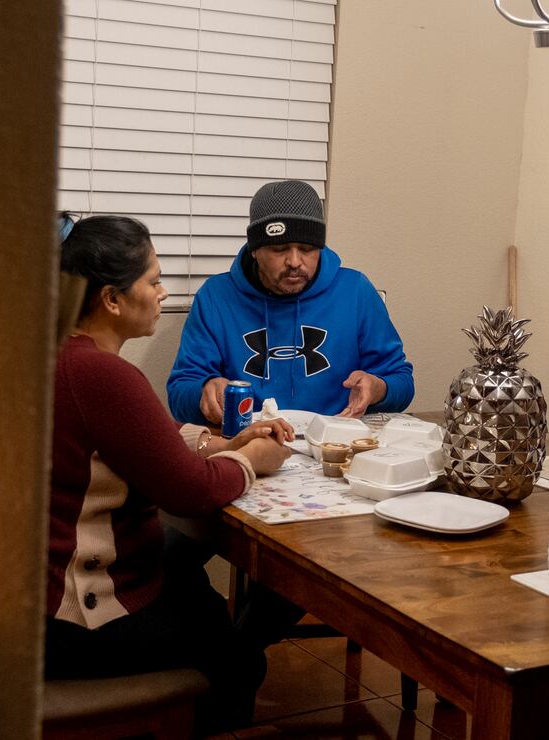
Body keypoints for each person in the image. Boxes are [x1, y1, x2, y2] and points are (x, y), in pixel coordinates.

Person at [45, 214, 294, 733]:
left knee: (188, 581)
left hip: (28, 599)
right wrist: (251, 460)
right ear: (112, 299)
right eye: (153, 281)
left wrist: (223, 444)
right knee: (240, 659)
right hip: (77, 617)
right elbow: (191, 492)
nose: (163, 293)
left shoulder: (55, 355)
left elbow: (139, 443)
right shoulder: (101, 374)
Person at [167, 179, 414, 424]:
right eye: (280, 249)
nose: (294, 261)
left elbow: (401, 381)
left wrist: (378, 388)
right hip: (250, 445)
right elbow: (180, 395)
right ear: (255, 250)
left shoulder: (355, 290)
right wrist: (205, 391)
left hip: (336, 444)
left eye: (307, 248)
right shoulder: (216, 297)